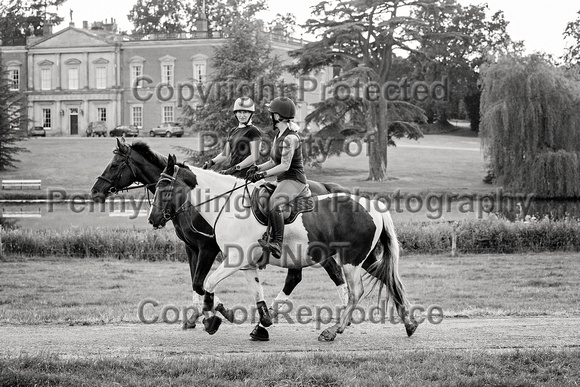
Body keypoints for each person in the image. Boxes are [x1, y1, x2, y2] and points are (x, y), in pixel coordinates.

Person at [246, 97, 311, 259]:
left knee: (275, 202)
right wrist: (257, 168)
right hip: (282, 180)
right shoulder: (279, 135)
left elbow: (284, 166)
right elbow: (273, 161)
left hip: (294, 180)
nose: (270, 116)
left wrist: (263, 175)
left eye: (272, 113)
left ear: (278, 116)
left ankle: (277, 243)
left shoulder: (291, 138)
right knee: (261, 193)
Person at [202, 97, 261, 179]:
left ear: (251, 114)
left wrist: (235, 168)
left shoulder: (253, 131)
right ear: (235, 114)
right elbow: (225, 154)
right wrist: (211, 162)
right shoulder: (233, 131)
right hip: (235, 175)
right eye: (239, 112)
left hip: (248, 175)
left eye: (245, 112)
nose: (242, 115)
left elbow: (255, 156)